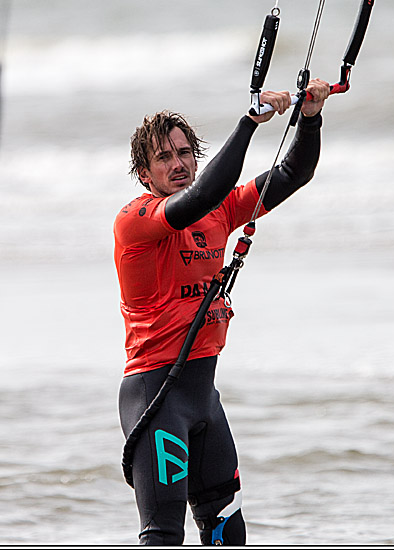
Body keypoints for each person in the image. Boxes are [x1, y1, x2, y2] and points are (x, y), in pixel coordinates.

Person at [114, 80, 333, 545]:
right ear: (144, 174)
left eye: (185, 153)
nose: (178, 164)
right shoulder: (136, 221)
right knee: (163, 537)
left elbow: (293, 172)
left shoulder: (221, 212)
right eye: (164, 158)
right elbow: (201, 195)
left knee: (228, 534)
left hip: (203, 399)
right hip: (156, 396)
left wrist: (310, 118)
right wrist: (249, 123)